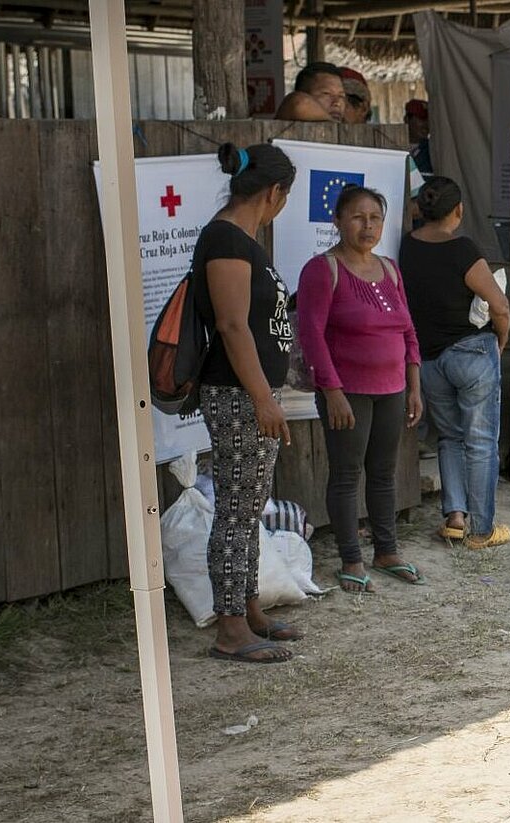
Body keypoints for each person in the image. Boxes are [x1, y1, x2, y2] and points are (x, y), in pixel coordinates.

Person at [196, 142, 301, 664]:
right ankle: (231, 629)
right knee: (236, 513)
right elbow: (232, 325)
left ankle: (250, 609)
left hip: (251, 394)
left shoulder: (240, 239)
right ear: (274, 192)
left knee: (248, 508)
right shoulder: (227, 241)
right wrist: (263, 397)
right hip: (238, 395)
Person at [295, 185, 424, 593]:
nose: (367, 226)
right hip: (346, 392)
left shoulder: (390, 269)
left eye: (375, 218)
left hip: (393, 389)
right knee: (347, 475)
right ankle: (352, 559)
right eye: (357, 217)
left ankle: (387, 552)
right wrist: (331, 389)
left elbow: (408, 331)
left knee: (384, 474)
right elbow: (311, 333)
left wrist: (414, 386)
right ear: (337, 220)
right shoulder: (323, 269)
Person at [400, 176, 510, 550]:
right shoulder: (463, 248)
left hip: (429, 360)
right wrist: (500, 339)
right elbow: (498, 305)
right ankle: (481, 531)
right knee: (481, 441)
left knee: (449, 437)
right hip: (470, 352)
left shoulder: (406, 249)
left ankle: (454, 519)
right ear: (459, 210)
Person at [276, 62, 346, 123]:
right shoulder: (292, 108)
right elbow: (299, 102)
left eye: (341, 96)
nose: (337, 103)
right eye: (326, 93)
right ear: (304, 94)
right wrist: (334, 124)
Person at [406, 99, 434, 175]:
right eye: (422, 119)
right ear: (407, 119)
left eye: (429, 120)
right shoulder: (394, 147)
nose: (426, 124)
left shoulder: (433, 150)